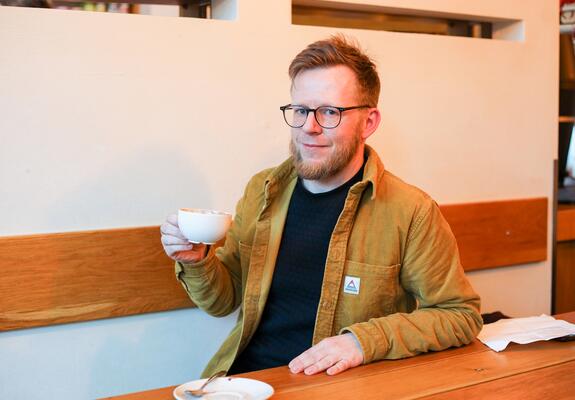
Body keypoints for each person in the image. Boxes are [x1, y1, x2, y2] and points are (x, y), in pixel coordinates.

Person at [160, 35, 482, 378]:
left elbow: (460, 315)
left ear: (368, 122)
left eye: (329, 111)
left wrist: (362, 341)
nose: (309, 127)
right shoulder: (262, 190)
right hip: (246, 381)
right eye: (300, 110)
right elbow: (223, 301)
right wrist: (198, 261)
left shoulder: (411, 211)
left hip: (333, 387)